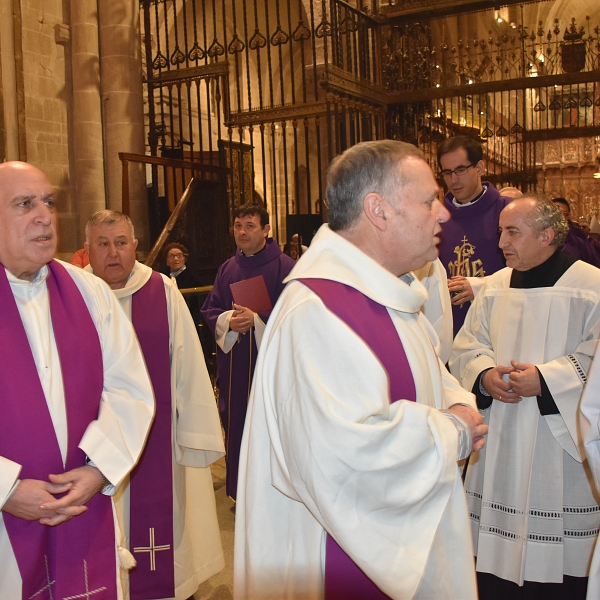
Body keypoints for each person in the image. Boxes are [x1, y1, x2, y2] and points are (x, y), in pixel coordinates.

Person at [234, 140, 488, 599]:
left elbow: (426, 371)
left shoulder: (388, 290)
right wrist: (452, 431)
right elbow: (342, 455)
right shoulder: (317, 311)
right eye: (429, 199)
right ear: (378, 210)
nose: (444, 212)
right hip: (340, 556)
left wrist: (454, 399)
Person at [0, 162, 154, 598]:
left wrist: (97, 469)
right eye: (24, 204)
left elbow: (129, 389)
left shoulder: (89, 292)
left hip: (86, 505)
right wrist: (6, 488)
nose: (45, 215)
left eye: (48, 202)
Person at [450, 196, 600, 599]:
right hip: (500, 437)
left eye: (512, 232)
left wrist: (549, 380)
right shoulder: (495, 287)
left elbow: (596, 354)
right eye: (501, 231)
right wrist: (483, 375)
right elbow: (467, 346)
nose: (501, 242)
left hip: (559, 449)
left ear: (547, 235)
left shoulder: (591, 287)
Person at [85, 210, 226, 600]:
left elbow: (189, 368)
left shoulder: (162, 291)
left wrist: (194, 433)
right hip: (91, 446)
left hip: (156, 441)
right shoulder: (77, 295)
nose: (113, 253)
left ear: (135, 247)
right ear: (87, 251)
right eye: (103, 244)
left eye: (121, 242)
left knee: (162, 530)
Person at [201, 203, 295, 501]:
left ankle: (273, 495)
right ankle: (240, 492)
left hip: (271, 367)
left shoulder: (286, 267)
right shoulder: (228, 268)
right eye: (238, 225)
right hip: (236, 365)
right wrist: (230, 321)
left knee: (270, 425)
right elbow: (211, 308)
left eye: (250, 225)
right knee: (238, 423)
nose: (242, 232)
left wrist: (255, 321)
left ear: (266, 230)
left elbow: (296, 316)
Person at [437, 135, 513, 335]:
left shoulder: (508, 212)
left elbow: (531, 268)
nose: (453, 180)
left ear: (479, 167)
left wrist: (482, 286)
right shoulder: (436, 217)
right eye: (447, 172)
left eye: (461, 170)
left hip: (497, 323)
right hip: (448, 326)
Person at [163, 242, 202, 331]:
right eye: (172, 256)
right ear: (167, 261)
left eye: (179, 255)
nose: (176, 259)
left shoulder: (193, 280)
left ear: (184, 259)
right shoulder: (163, 278)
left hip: (187, 321)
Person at [552, 198, 600, 267]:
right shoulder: (538, 238)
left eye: (565, 214)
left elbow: (594, 264)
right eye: (557, 213)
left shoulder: (578, 242)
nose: (561, 217)